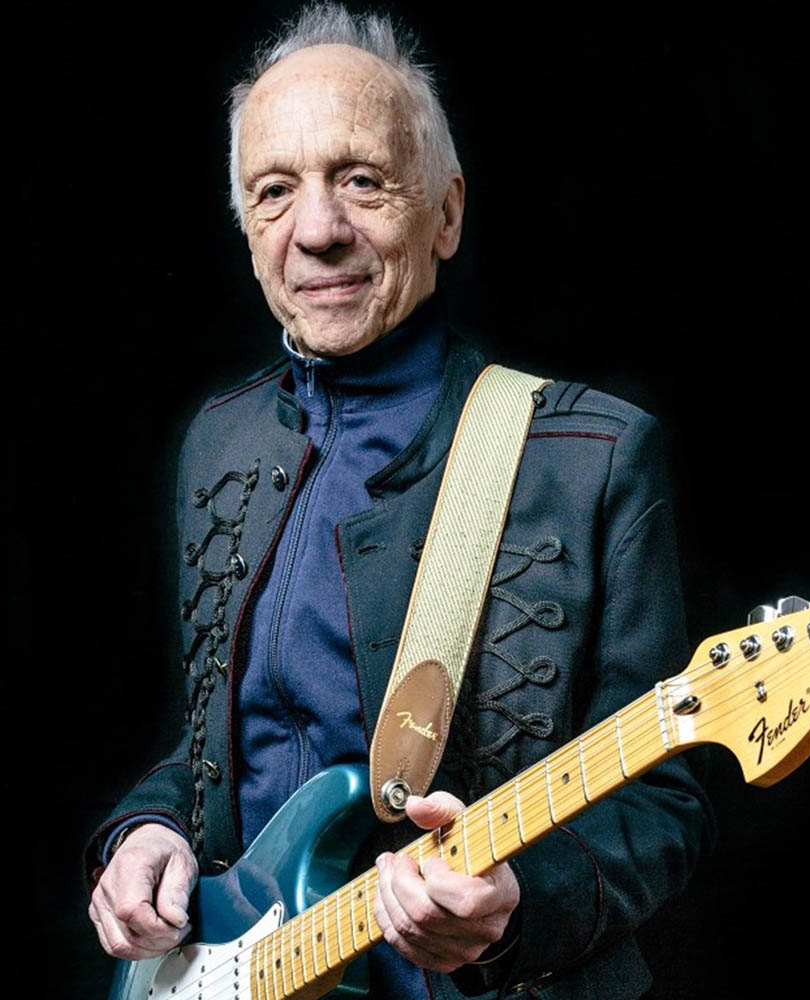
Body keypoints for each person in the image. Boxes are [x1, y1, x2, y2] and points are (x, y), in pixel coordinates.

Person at [85, 5, 713, 997]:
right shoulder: (220, 441)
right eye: (275, 191)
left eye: (362, 181)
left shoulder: (588, 454)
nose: (317, 231)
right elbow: (214, 751)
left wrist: (519, 907)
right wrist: (149, 829)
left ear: (446, 213)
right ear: (247, 227)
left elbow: (665, 800)